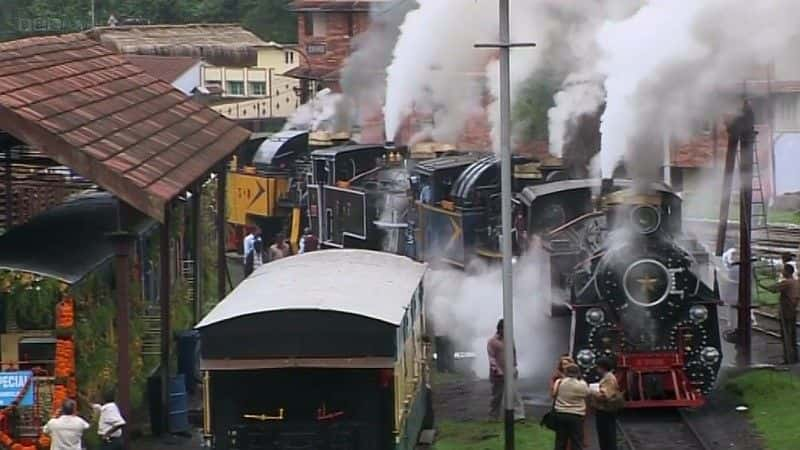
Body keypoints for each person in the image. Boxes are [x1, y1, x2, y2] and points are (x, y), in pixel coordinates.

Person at [759, 264, 799, 364]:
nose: (781, 272)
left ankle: (788, 360)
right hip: (793, 311)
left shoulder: (786, 283)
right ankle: (795, 357)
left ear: (787, 272)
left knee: (786, 336)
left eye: (783, 270)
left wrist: (760, 283)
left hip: (786, 312)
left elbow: (773, 289)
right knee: (792, 336)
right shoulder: (796, 282)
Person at [487, 319, 525, 421]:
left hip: (510, 371)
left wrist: (515, 366)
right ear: (500, 329)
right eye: (505, 329)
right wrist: (497, 369)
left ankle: (519, 416)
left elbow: (513, 352)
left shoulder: (510, 339)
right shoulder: (492, 342)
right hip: (498, 374)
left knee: (515, 394)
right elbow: (492, 358)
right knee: (496, 397)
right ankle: (493, 416)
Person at [552, 364, 590, 450]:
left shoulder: (559, 382)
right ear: (578, 373)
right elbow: (587, 394)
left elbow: (554, 393)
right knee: (576, 441)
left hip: (561, 413)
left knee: (560, 440)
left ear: (566, 372)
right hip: (576, 414)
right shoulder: (582, 384)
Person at [592, 358, 622, 450]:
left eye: (598, 367)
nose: (597, 369)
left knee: (607, 436)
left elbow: (605, 396)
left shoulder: (609, 378)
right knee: (605, 435)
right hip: (603, 410)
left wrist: (592, 391)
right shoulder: (607, 377)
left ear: (603, 367)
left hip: (605, 410)